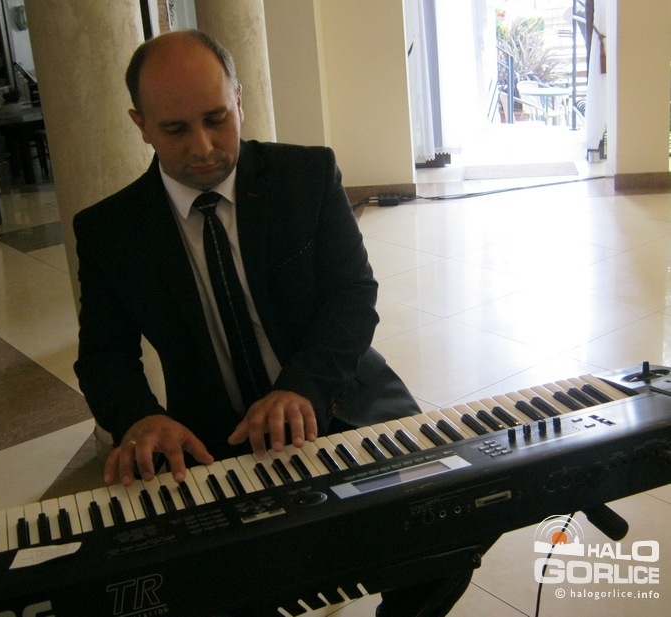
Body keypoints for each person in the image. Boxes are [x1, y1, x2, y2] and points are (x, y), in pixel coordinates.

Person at [73, 29, 482, 617]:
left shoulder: (306, 175)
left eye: (217, 118)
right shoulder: (110, 230)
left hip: (341, 399)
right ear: (140, 125)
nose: (203, 146)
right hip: (213, 441)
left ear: (239, 101)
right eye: (176, 129)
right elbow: (104, 356)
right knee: (229, 589)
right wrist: (140, 417)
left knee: (450, 534)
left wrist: (302, 387)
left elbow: (352, 296)